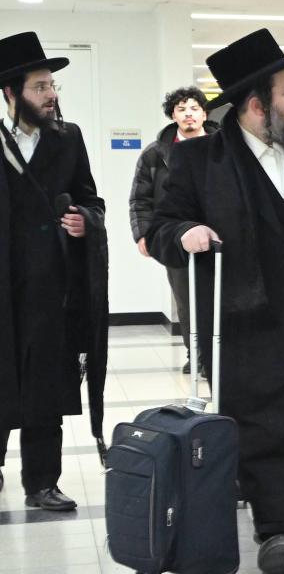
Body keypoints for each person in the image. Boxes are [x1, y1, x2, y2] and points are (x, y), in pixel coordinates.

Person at [150, 29, 284, 574]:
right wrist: (186, 232)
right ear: (256, 105)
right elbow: (161, 227)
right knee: (264, 416)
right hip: (246, 314)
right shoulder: (199, 160)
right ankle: (276, 522)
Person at [0, 32, 107, 509]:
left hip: (50, 287)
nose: (51, 95)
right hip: (4, 286)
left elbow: (91, 198)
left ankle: (42, 481)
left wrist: (85, 220)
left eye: (52, 85)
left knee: (45, 382)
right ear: (11, 92)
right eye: (40, 86)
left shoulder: (68, 138)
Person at [130, 86, 218, 376]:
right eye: (181, 109)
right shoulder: (156, 153)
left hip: (218, 235)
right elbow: (140, 198)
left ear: (204, 113)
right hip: (175, 235)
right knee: (186, 298)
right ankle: (197, 353)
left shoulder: (222, 146)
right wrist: (144, 234)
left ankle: (220, 352)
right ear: (173, 116)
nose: (188, 114)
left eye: (194, 108)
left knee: (221, 295)